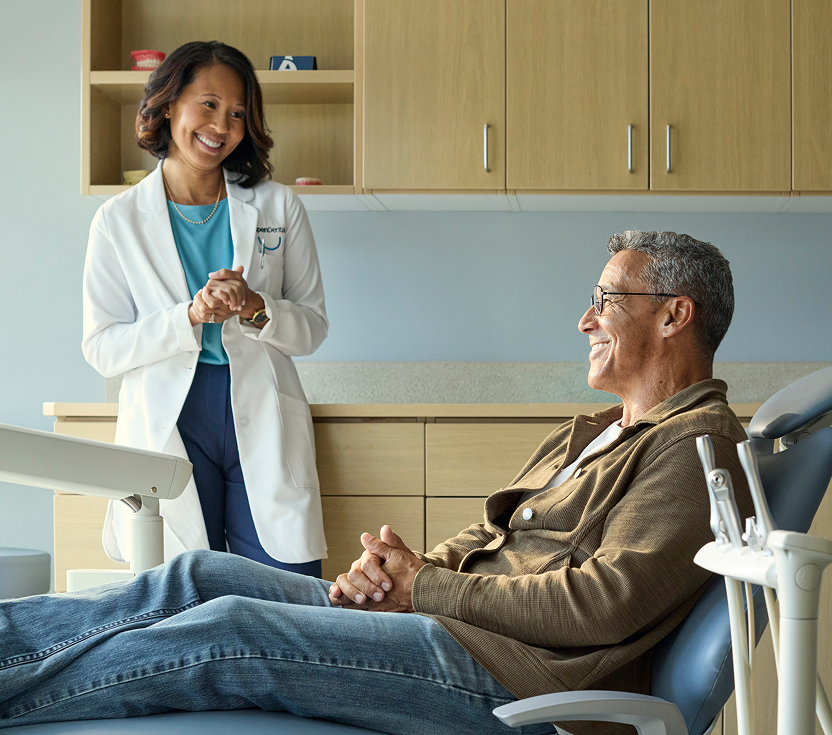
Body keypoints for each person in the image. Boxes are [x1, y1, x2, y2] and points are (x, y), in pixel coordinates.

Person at [4, 231, 751, 735]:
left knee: (233, 628)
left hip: (512, 677)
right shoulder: (595, 429)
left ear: (673, 316)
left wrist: (422, 589)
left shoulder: (695, 448)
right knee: (201, 573)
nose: (586, 318)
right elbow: (491, 539)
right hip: (453, 626)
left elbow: (601, 605)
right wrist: (395, 572)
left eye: (608, 300)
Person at [81, 41, 329, 577]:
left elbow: (311, 327)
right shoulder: (118, 220)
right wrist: (187, 317)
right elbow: (103, 347)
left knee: (289, 596)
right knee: (183, 594)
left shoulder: (277, 205)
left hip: (260, 411)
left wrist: (255, 306)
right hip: (173, 417)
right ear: (169, 103)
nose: (223, 124)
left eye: (238, 112)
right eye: (209, 104)